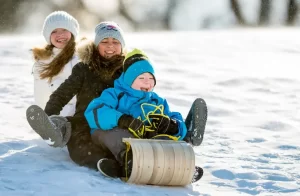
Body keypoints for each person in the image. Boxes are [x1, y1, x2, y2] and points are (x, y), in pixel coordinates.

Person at [84, 49, 207, 180]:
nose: (147, 82)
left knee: (167, 139)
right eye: (141, 78)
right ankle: (128, 163)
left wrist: (173, 125)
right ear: (129, 80)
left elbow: (173, 115)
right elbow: (95, 111)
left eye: (151, 78)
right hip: (123, 136)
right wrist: (122, 119)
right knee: (117, 136)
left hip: (150, 140)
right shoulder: (115, 94)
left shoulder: (157, 100)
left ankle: (182, 164)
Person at [26, 21, 126, 170]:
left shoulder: (127, 70)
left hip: (115, 122)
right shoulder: (84, 68)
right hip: (84, 121)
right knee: (80, 146)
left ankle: (124, 160)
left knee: (117, 141)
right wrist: (48, 116)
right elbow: (62, 94)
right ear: (96, 45)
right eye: (104, 41)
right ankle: (102, 162)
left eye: (115, 42)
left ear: (121, 45)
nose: (110, 46)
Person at [32, 11, 79, 117]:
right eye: (54, 31)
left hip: (77, 114)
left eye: (64, 29)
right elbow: (41, 94)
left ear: (72, 32)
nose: (60, 34)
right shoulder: (43, 61)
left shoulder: (80, 57)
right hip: (51, 114)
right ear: (48, 36)